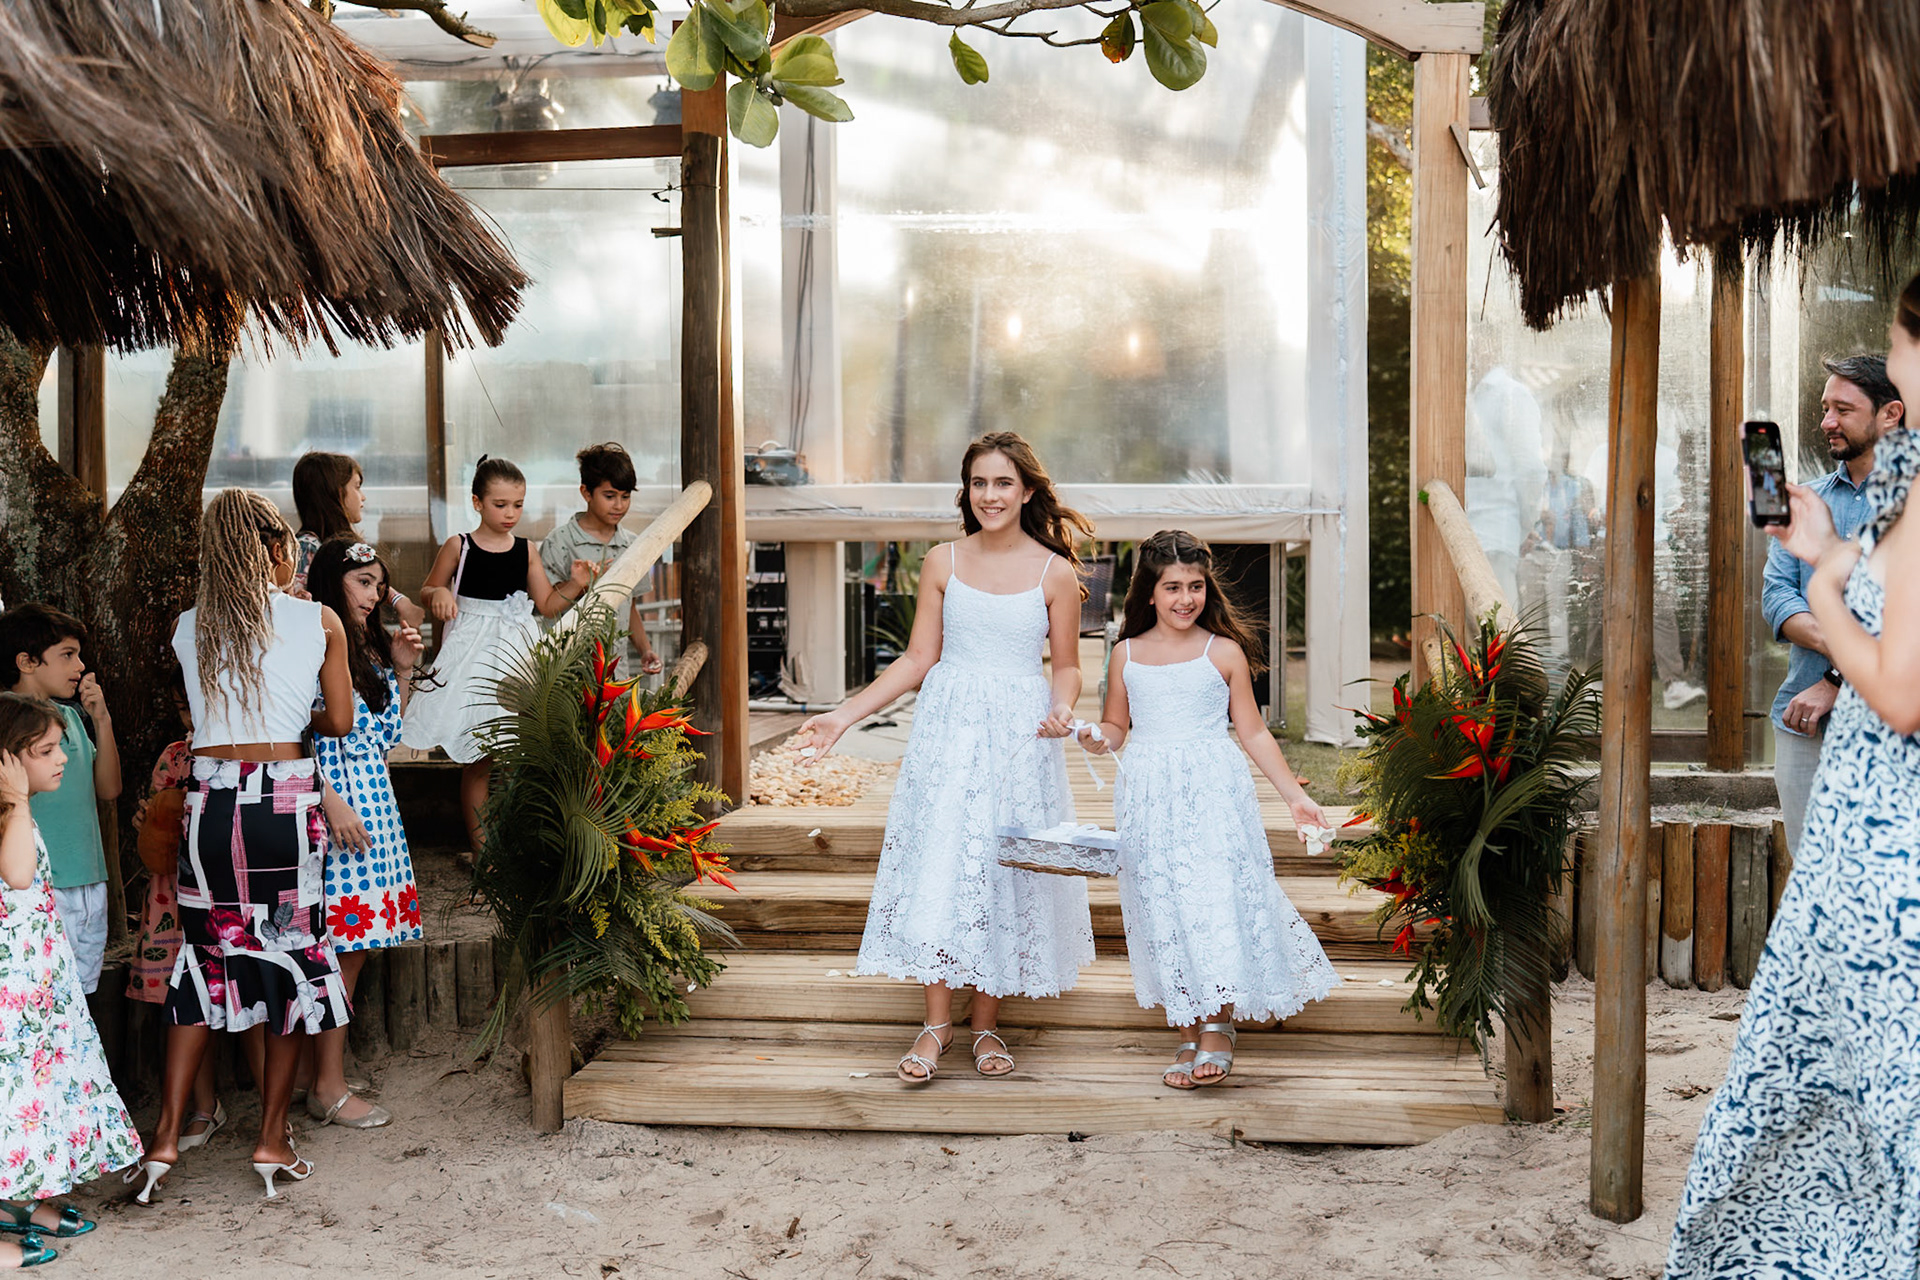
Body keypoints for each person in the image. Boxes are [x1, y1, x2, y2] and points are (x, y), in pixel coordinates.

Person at [1665, 279, 1920, 1277]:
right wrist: (1834, 551)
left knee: (1856, 1078)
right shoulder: (1891, 494)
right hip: (1867, 827)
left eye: (1899, 350)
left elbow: (1901, 692)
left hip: (1891, 837)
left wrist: (1823, 582)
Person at [796, 432, 1094, 1084]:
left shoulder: (1055, 573)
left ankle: (986, 1023)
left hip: (1021, 737)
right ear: (967, 491)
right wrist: (844, 716)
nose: (991, 495)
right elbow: (916, 659)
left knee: (1003, 870)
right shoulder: (942, 562)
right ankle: (936, 1023)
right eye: (980, 483)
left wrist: (1063, 707)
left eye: (1004, 484)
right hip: (950, 733)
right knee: (943, 863)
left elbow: (1067, 668)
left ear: (1028, 492)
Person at [126, 489, 356, 1205]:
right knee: (287, 962)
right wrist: (304, 699)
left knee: (204, 960)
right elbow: (340, 722)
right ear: (278, 545)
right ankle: (272, 1136)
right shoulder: (317, 620)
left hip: (208, 802)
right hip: (281, 804)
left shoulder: (190, 626)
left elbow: (211, 713)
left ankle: (164, 1137)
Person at [1080, 531, 1338, 1087]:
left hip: (1212, 791)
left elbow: (1253, 731)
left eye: (1195, 586)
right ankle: (1190, 1028)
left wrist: (1296, 797)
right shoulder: (1125, 653)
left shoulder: (1222, 651)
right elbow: (1117, 726)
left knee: (1212, 896)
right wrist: (1096, 738)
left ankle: (1219, 1025)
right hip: (1148, 795)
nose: (1185, 598)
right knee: (1165, 902)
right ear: (1149, 592)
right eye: (1172, 587)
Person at [0, 693, 142, 1265]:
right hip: (11, 994)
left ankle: (23, 1200)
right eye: (45, 750)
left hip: (39, 988)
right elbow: (17, 876)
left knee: (37, 1092)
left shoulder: (18, 812)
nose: (62, 758)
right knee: (11, 1098)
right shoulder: (11, 815)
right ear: (8, 761)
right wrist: (15, 802)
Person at [402, 456, 594, 858]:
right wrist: (437, 594)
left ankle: (520, 846)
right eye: (500, 504)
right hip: (473, 654)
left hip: (517, 655)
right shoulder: (460, 544)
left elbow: (545, 603)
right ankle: (485, 856)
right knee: (481, 755)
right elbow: (429, 587)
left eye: (518, 504)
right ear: (477, 502)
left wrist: (575, 585)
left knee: (519, 751)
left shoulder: (526, 550)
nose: (510, 513)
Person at [306, 537, 428, 1130]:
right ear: (332, 582)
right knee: (339, 950)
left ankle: (328, 1074)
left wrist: (402, 671)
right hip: (333, 808)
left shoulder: (366, 648)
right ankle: (326, 1087)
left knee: (358, 949)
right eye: (362, 582)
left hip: (374, 804)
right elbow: (290, 737)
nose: (374, 593)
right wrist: (329, 801)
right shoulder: (311, 643)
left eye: (379, 584)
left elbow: (383, 739)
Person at [1759, 354, 1899, 857]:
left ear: (1891, 414)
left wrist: (1836, 682)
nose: (1827, 423)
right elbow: (1777, 595)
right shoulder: (1804, 500)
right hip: (1805, 725)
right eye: (1824, 409)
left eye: (1843, 409)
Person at [125, 665, 224, 1151]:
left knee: (233, 995)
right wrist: (151, 818)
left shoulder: (235, 755)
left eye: (199, 704)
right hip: (171, 897)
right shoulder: (173, 756)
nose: (192, 717)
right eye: (185, 708)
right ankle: (205, 1107)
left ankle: (285, 1105)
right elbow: (155, 824)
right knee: (183, 1000)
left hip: (220, 894)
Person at [0, 604, 121, 996]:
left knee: (80, 997)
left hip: (89, 878)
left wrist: (101, 720)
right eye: (67, 655)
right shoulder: (6, 723)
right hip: (35, 884)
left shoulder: (70, 718)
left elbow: (109, 789)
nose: (80, 665)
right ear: (27, 662)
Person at [539, 442, 665, 676]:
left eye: (625, 496)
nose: (619, 505)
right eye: (610, 496)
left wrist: (645, 650)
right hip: (566, 677)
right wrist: (578, 585)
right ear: (586, 492)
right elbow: (546, 607)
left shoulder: (633, 546)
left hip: (616, 674)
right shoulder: (559, 542)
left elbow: (630, 606)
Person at [289, 451, 427, 629]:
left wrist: (398, 600)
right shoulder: (307, 548)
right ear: (336, 492)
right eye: (357, 486)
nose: (363, 497)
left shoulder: (337, 547)